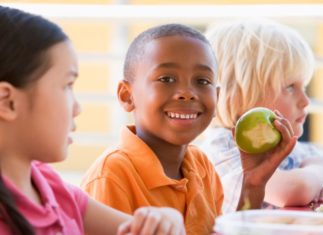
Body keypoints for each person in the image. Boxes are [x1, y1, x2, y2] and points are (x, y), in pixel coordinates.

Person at [81, 23, 296, 234]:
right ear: (127, 95)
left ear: (217, 97)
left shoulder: (201, 166)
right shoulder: (112, 175)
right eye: (166, 79)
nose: (187, 92)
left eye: (202, 81)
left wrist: (253, 184)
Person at [0, 6, 186, 235]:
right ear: (7, 102)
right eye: (67, 85)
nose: (77, 108)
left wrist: (165, 219)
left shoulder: (49, 186)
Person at [199, 19, 323, 213]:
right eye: (290, 87)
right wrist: (317, 169)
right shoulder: (222, 150)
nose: (305, 101)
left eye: (304, 87)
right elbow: (294, 190)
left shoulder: (297, 149)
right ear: (240, 96)